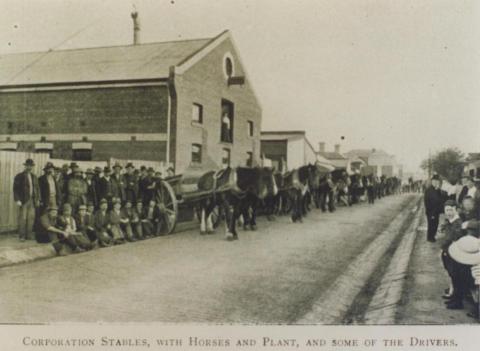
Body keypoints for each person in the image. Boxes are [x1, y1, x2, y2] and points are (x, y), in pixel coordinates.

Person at [439, 200, 465, 305]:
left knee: (456, 276)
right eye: (446, 210)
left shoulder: (457, 222)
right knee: (452, 275)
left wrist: (443, 246)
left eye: (451, 210)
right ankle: (454, 296)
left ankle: (458, 301)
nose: (448, 212)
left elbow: (452, 237)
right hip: (449, 251)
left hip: (454, 252)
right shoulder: (450, 221)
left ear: (456, 209)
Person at [13, 158, 40, 242]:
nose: (29, 167)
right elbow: (15, 189)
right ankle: (22, 236)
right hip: (24, 200)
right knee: (23, 218)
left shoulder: (34, 177)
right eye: (28, 165)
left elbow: (37, 189)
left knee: (31, 218)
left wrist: (38, 199)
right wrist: (17, 200)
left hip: (32, 200)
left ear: (32, 167)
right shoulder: (19, 176)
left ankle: (29, 235)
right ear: (25, 166)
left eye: (31, 166)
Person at [424, 175, 444, 242]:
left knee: (436, 224)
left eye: (437, 181)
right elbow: (427, 203)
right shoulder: (429, 190)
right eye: (434, 181)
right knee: (431, 225)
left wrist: (438, 190)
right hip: (431, 211)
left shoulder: (437, 189)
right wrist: (431, 213)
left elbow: (440, 199)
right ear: (432, 182)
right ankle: (430, 238)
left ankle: (432, 236)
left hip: (436, 211)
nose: (435, 183)